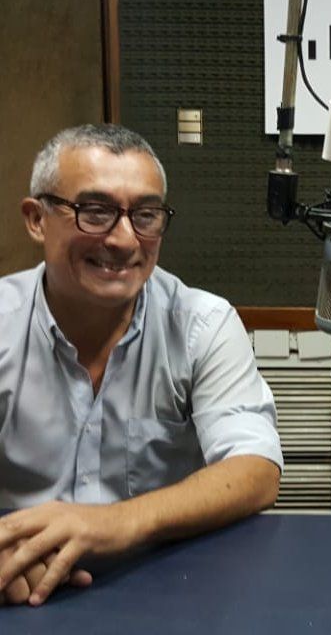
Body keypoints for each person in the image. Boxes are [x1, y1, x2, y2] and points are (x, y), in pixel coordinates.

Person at [0, 124, 283, 606]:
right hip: (20, 579)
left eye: (146, 215)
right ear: (37, 219)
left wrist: (114, 523)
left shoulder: (202, 324)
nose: (125, 239)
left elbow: (255, 469)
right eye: (95, 212)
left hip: (168, 588)